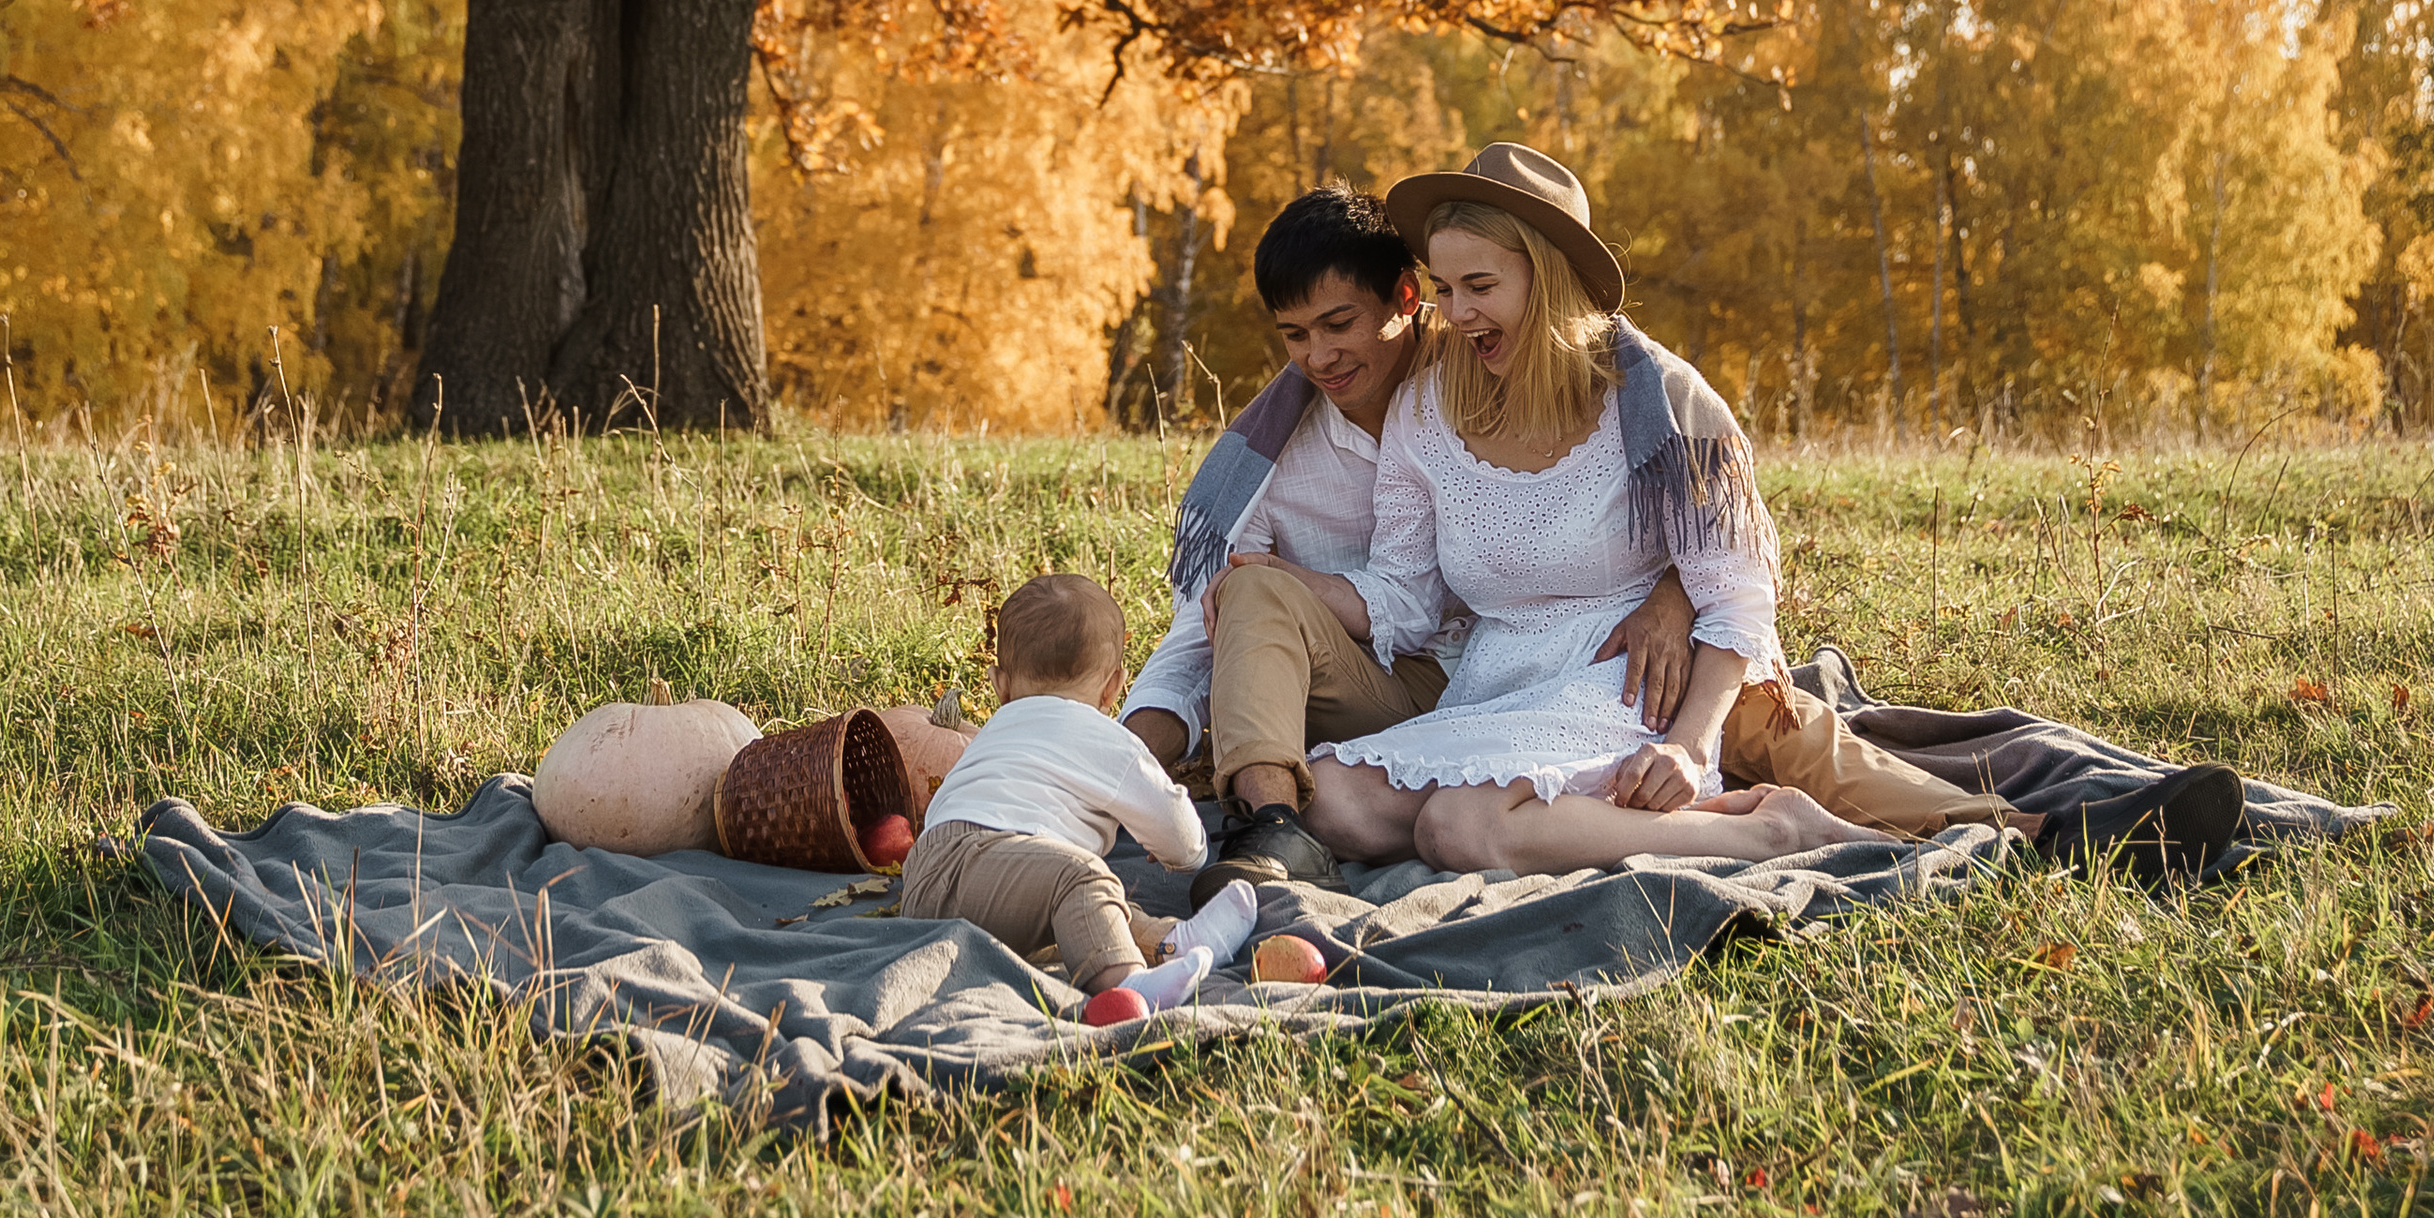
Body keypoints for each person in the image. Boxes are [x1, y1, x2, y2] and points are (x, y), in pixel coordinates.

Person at [1277, 148, 2244, 879]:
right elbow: (1403, 592)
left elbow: (1737, 602)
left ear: (1550, 279)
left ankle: (1801, 830)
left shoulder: (1664, 403)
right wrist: (1280, 595)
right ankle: (1730, 823)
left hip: (1627, 683)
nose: (1456, 314)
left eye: (1480, 286)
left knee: (1460, 825)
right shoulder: (1425, 408)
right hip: (1501, 685)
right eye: (1443, 290)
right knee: (1340, 805)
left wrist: (1690, 740)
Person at [1120, 181, 1702, 905]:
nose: (1320, 357)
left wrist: (1675, 596)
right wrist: (1110, 768)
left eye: (1339, 325)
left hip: (1529, 665)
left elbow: (1672, 507)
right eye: (1295, 335)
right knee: (1251, 585)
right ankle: (1271, 831)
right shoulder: (1272, 459)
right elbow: (1195, 642)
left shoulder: (1494, 371)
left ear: (1404, 298)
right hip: (1383, 689)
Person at [896, 572, 1263, 1015]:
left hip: (927, 872)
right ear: (1115, 685)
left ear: (1000, 684)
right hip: (982, 859)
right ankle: (1127, 987)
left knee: (1088, 903)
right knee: (1081, 876)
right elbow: (1181, 834)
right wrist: (1181, 854)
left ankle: (1171, 943)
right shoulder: (1109, 740)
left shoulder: (994, 730)